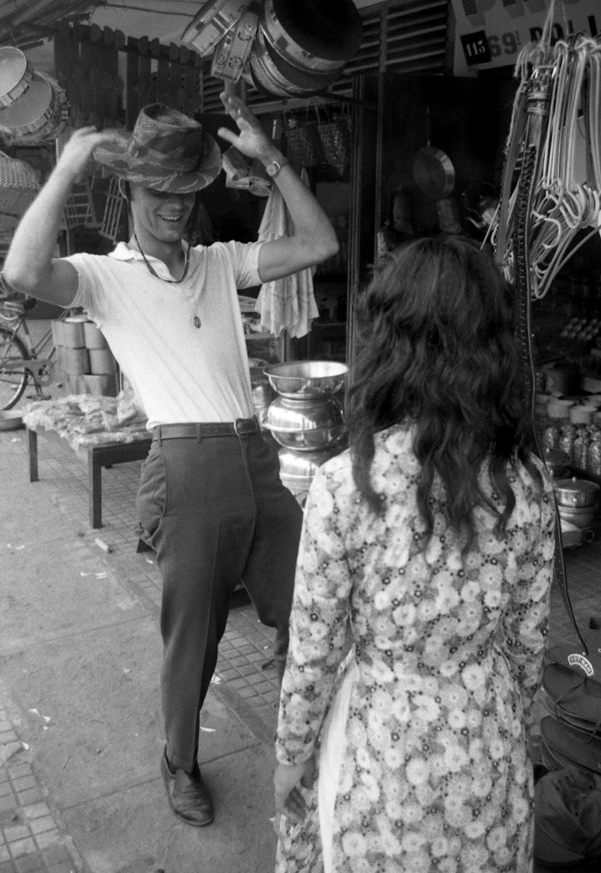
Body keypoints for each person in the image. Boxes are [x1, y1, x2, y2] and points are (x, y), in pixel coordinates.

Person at [2, 91, 339, 828]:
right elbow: (24, 273)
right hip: (186, 467)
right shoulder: (105, 276)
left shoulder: (220, 262)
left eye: (187, 194)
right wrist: (66, 166)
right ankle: (178, 762)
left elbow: (318, 246)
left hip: (255, 455)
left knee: (309, 614)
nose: (175, 209)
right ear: (130, 190)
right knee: (194, 637)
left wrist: (271, 160)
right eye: (158, 192)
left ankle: (301, 742)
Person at [273, 236, 556, 872]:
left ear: (389, 343)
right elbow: (528, 648)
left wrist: (290, 759)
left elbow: (313, 652)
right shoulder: (529, 485)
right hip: (487, 744)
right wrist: (505, 715)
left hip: (380, 755)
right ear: (492, 348)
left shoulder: (346, 485)